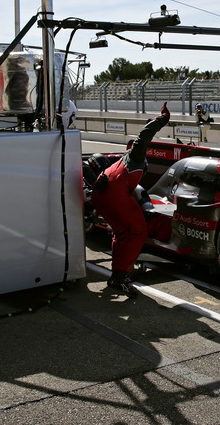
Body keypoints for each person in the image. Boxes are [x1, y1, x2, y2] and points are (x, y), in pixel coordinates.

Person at [91, 102, 170, 297]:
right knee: (138, 231)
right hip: (114, 192)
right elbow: (143, 136)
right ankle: (120, 275)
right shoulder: (135, 156)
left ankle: (117, 275)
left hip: (99, 194)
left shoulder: (122, 160)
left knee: (122, 233)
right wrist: (162, 120)